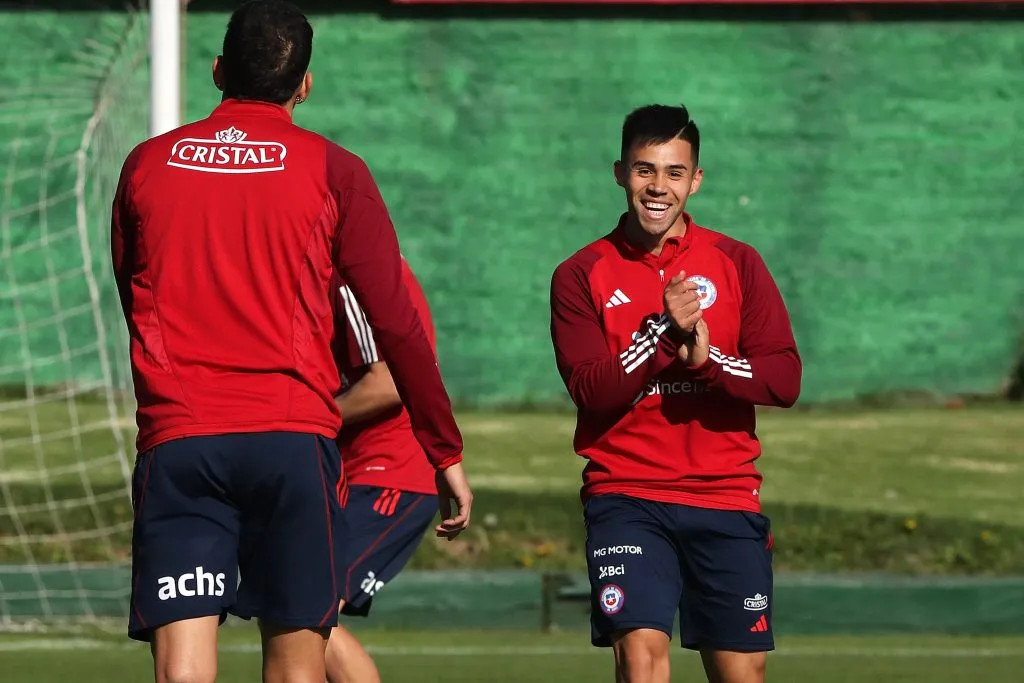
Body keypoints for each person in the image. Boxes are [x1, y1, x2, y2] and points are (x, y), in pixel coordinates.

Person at [109, 2, 472, 682]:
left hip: (181, 438)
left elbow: (133, 292)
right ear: (304, 84)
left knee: (181, 670)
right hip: (291, 443)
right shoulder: (334, 169)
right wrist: (443, 447)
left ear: (218, 70)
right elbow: (399, 324)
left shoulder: (145, 164)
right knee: (299, 662)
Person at [548, 104, 801, 683]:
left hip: (725, 494)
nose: (658, 187)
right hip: (626, 494)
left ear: (696, 179)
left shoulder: (738, 262)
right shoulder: (580, 273)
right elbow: (592, 390)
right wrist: (662, 334)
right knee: (641, 659)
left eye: (674, 172)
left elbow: (783, 380)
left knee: (742, 672)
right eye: (644, 170)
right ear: (619, 173)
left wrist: (707, 362)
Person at [324, 257, 442, 683]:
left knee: (307, 613)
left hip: (391, 472)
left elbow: (388, 383)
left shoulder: (350, 270)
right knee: (289, 609)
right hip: (351, 472)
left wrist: (307, 422)